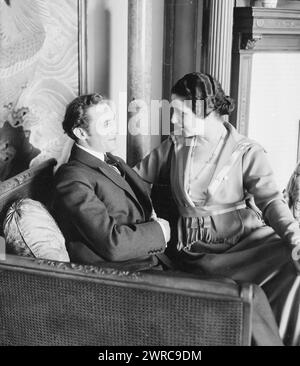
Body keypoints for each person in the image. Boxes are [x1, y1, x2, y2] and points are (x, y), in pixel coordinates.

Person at [134, 72, 300, 346]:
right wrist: (145, 218)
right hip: (198, 250)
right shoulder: (175, 146)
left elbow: (271, 201)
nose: (173, 121)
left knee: (294, 272)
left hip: (247, 243)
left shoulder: (248, 151)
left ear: (206, 112)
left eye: (180, 113)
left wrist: (295, 240)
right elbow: (135, 178)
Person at [53, 93, 170, 270]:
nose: (115, 129)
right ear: (81, 132)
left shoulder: (112, 159)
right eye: (106, 124)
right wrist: (159, 231)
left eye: (113, 121)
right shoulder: (72, 178)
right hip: (123, 274)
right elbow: (112, 244)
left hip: (150, 258)